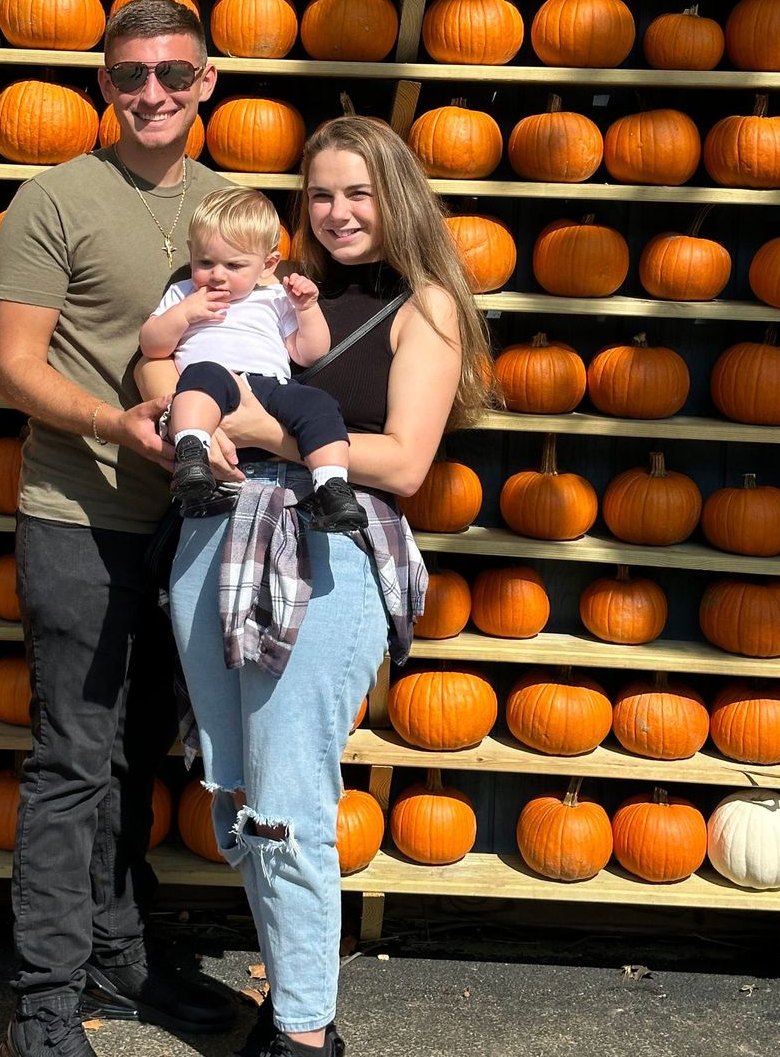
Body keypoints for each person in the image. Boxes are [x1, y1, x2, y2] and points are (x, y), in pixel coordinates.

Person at [165, 115, 493, 1056]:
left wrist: (263, 429)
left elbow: (404, 461)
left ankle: (305, 1030)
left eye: (359, 192)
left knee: (290, 797)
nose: (340, 212)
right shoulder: (271, 290)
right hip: (216, 539)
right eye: (322, 194)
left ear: (397, 197)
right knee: (232, 788)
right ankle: (291, 992)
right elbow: (180, 356)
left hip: (324, 547)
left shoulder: (424, 305)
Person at [0, 0, 237, 1057]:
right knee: (73, 756)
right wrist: (110, 420)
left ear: (207, 81)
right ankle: (44, 997)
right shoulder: (54, 199)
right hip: (79, 509)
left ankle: (118, 950)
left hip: (195, 524)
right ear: (104, 81)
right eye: (131, 73)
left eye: (173, 74)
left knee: (142, 749)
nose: (152, 93)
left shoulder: (239, 207)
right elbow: (15, 362)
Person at [140, 186, 368, 532]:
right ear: (191, 254)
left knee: (318, 404)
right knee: (200, 378)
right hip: (211, 385)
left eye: (234, 265)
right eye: (205, 262)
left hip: (270, 388)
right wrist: (183, 316)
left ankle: (332, 485)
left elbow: (309, 352)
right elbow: (151, 346)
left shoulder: (276, 297)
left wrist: (306, 308)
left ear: (267, 265)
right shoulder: (184, 293)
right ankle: (192, 455)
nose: (217, 275)